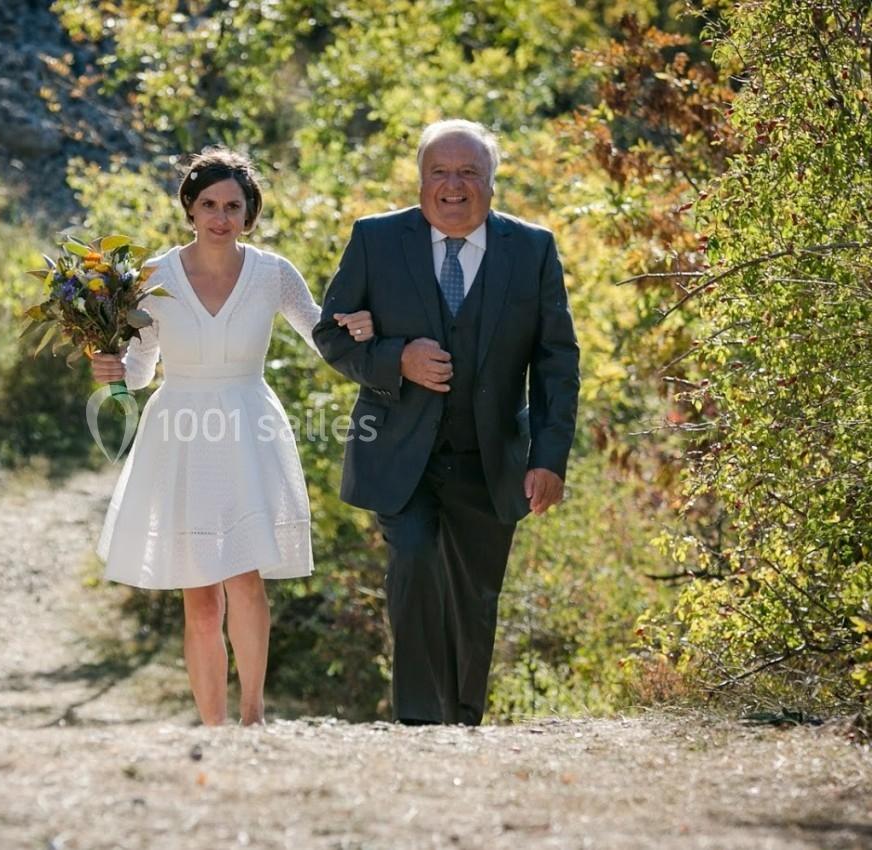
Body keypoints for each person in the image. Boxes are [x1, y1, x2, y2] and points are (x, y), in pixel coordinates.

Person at [91, 148, 372, 726]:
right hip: (180, 433)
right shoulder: (152, 277)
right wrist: (114, 369)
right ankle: (214, 729)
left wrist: (363, 327)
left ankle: (253, 716)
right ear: (190, 209)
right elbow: (142, 372)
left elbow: (323, 338)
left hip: (249, 428)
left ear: (250, 213)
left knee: (244, 577)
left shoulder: (273, 274)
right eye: (209, 205)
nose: (220, 217)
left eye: (233, 207)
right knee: (199, 593)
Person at [313, 119, 580, 726]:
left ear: (491, 181)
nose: (453, 185)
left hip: (492, 459)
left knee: (475, 595)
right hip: (399, 454)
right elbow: (329, 333)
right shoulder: (377, 240)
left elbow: (557, 360)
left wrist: (549, 457)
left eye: (468, 172)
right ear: (419, 179)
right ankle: (417, 719)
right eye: (440, 171)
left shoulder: (532, 248)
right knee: (413, 563)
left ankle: (462, 721)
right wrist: (395, 359)